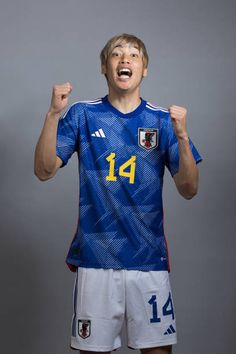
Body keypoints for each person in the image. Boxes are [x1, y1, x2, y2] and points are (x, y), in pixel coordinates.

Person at [34, 33, 202, 354]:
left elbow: (189, 189)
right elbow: (44, 170)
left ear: (145, 69)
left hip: (148, 260)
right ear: (104, 67)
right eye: (116, 54)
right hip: (97, 259)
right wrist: (53, 115)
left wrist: (182, 137)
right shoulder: (84, 115)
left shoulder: (162, 121)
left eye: (134, 55)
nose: (125, 59)